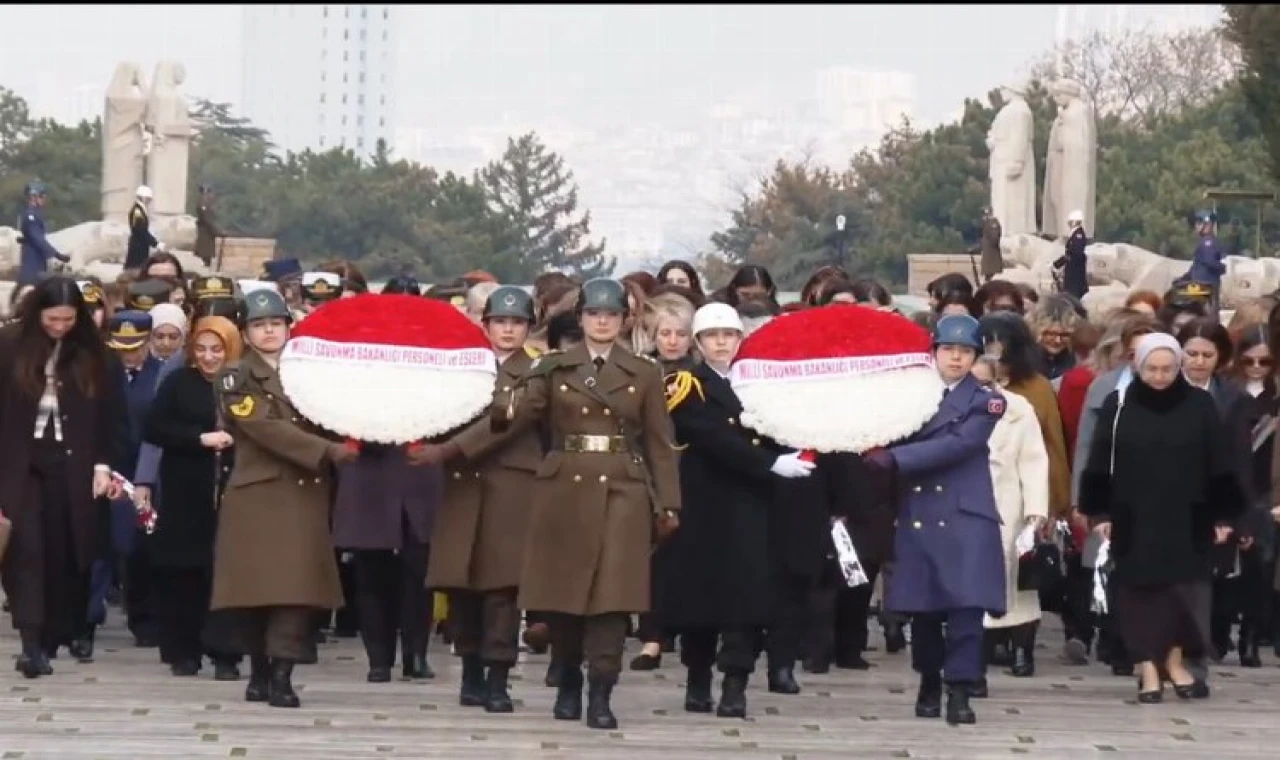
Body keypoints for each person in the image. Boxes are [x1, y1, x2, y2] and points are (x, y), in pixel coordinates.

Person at [489, 278, 681, 730]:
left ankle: (602, 689)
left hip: (622, 488)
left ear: (623, 320)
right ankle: (569, 677)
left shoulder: (644, 371)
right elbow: (514, 419)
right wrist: (506, 388)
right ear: (581, 319)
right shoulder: (555, 367)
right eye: (594, 313)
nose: (601, 321)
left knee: (613, 598)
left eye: (610, 314)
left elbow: (659, 444)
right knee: (563, 595)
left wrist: (668, 504)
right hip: (565, 487)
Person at [663, 303, 814, 718]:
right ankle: (697, 679)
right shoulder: (686, 383)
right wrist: (767, 462)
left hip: (753, 503)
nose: (721, 343)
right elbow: (709, 435)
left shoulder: (760, 382)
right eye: (712, 336)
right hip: (706, 501)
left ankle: (735, 683)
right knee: (700, 597)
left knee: (745, 599)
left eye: (728, 335)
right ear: (698, 342)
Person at [1080, 333, 1245, 703]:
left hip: (1188, 515)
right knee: (1140, 596)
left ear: (1178, 367)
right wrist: (1100, 512)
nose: (1159, 376)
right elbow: (1098, 460)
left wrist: (1223, 515)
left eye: (1167, 369)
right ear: (1138, 367)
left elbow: (1219, 461)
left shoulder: (1200, 404)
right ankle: (1148, 669)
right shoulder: (1118, 403)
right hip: (1132, 515)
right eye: (1151, 369)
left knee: (1180, 596)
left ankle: (1174, 662)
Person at [211, 289, 356, 708]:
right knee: (254, 591)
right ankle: (258, 669)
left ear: (289, 327)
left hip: (304, 491)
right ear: (246, 331)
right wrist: (327, 451)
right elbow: (264, 427)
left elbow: (334, 417)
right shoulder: (235, 376)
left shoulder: (310, 373)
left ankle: (282, 673)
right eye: (259, 324)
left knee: (298, 588)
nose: (269, 331)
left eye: (276, 323)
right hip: (257, 491)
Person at [865, 313, 1006, 725]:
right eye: (948, 350)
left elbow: (958, 445)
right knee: (924, 611)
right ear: (934, 352)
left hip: (964, 515)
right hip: (919, 512)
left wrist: (893, 459)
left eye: (965, 351)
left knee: (966, 611)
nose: (957, 359)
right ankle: (929, 681)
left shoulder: (985, 400)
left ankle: (961, 691)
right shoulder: (910, 397)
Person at [420, 286, 542, 712]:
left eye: (517, 322)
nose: (508, 330)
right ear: (485, 324)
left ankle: (498, 677)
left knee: (503, 589)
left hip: (510, 488)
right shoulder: (462, 368)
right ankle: (470, 669)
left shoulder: (536, 372)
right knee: (462, 585)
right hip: (463, 486)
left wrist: (448, 449)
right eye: (500, 322)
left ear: (529, 327)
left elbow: (507, 421)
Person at [0, 277, 124, 678]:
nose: (59, 327)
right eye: (52, 319)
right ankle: (30, 642)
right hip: (19, 463)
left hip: (73, 464)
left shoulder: (97, 356)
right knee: (26, 550)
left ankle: (53, 636)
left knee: (65, 552)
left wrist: (104, 465)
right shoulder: (8, 346)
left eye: (68, 319)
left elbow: (111, 419)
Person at [144, 316, 244, 679]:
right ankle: (182, 651)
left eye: (217, 349)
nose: (209, 357)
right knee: (182, 574)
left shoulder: (243, 382)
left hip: (233, 489)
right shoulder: (178, 382)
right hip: (186, 490)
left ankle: (226, 653)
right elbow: (153, 426)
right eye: (201, 349)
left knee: (226, 575)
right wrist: (197, 438)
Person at [970, 356, 1050, 679]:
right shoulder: (947, 407)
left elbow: (1033, 460)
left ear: (998, 381)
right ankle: (982, 647)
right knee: (975, 578)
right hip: (968, 505)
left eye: (986, 382)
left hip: (1009, 504)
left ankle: (1023, 650)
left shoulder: (1018, 410)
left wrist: (1036, 511)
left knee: (1019, 579)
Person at [17, 181, 70, 286]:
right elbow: (37, 238)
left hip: (38, 259)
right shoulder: (30, 215)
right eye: (41, 197)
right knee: (32, 287)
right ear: (33, 197)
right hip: (33, 261)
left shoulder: (36, 214)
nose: (44, 200)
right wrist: (56, 254)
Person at [125, 185, 163, 272]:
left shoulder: (141, 209)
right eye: (148, 198)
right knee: (135, 269)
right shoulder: (137, 211)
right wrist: (156, 243)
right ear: (143, 197)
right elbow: (141, 231)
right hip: (138, 246)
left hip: (141, 245)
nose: (149, 201)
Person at [1054, 210, 1089, 299]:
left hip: (1075, 273)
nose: (1069, 225)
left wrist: (1059, 263)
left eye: (1070, 222)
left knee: (1073, 295)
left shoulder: (1078, 235)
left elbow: (1075, 253)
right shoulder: (1075, 234)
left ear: (1074, 222)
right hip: (1072, 272)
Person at [194, 183, 224, 267]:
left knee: (207, 257)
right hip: (205, 233)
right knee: (205, 255)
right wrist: (217, 231)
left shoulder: (207, 204)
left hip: (208, 233)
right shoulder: (202, 204)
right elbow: (207, 220)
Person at [980, 207, 1004, 283]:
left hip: (991, 257)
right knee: (988, 278)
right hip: (988, 256)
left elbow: (994, 238)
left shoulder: (992, 223)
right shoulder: (988, 223)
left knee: (991, 279)